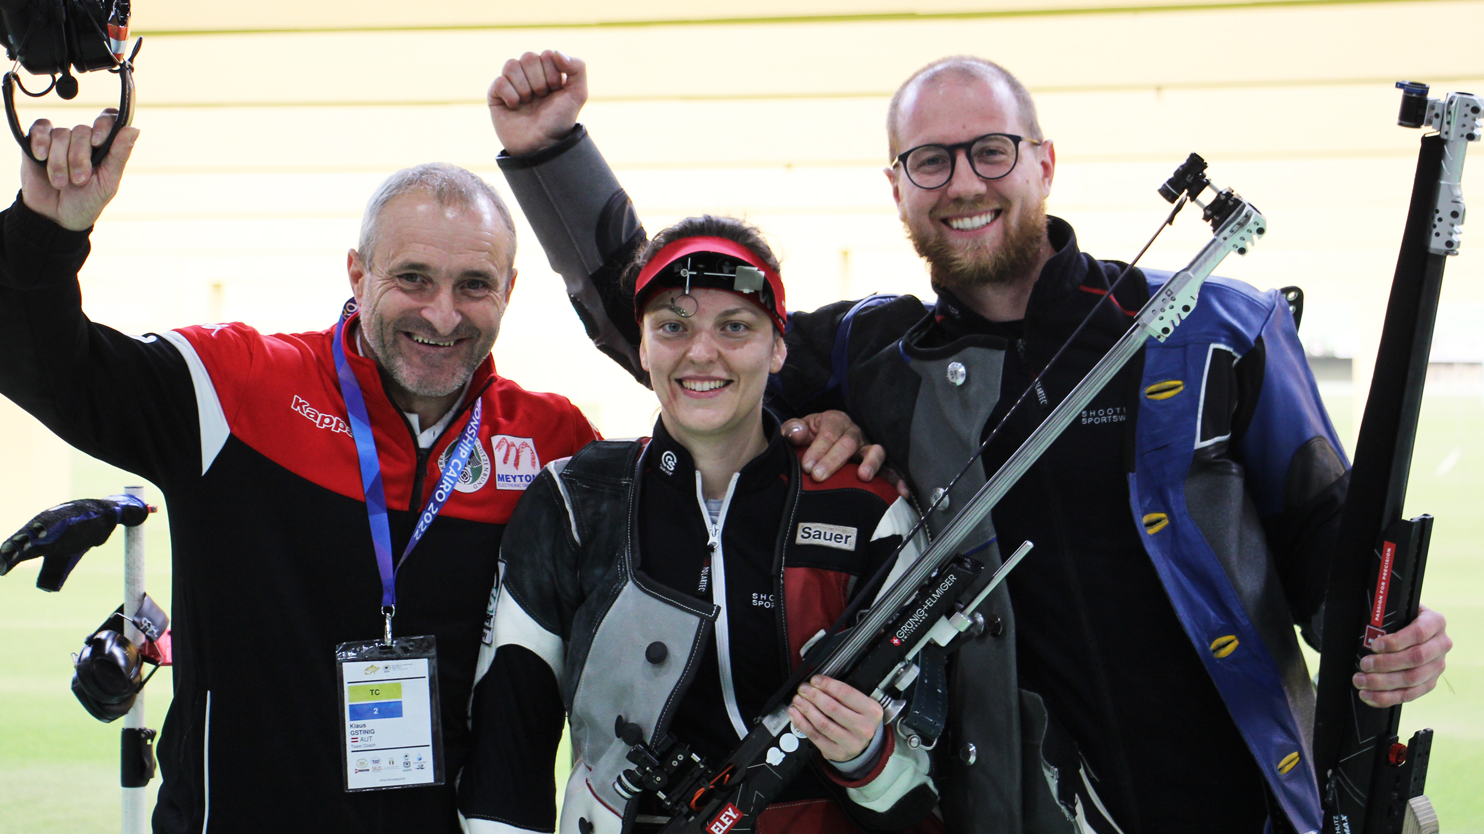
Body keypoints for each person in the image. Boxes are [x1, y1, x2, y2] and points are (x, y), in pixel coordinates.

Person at [480, 51, 1455, 834]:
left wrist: (1388, 637)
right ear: (898, 190)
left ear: (1042, 160)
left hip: (1244, 798)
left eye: (990, 150)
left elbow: (1328, 533)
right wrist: (551, 152)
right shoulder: (870, 351)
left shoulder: (1214, 323)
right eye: (928, 162)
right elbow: (683, 341)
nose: (962, 183)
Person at [0, 109, 598, 832]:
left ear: (509, 291)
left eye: (474, 286)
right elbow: (42, 365)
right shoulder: (235, 387)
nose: (443, 314)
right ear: (358, 274)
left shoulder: (553, 445)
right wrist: (46, 232)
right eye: (413, 278)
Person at [458, 217, 939, 833]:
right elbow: (508, 748)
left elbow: (929, 779)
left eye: (735, 327)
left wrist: (868, 755)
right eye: (673, 326)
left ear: (779, 347)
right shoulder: (574, 499)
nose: (701, 352)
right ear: (642, 346)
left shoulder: (867, 510)